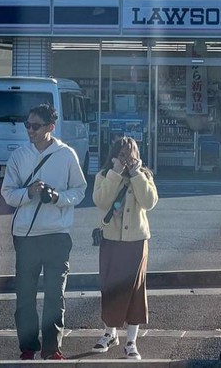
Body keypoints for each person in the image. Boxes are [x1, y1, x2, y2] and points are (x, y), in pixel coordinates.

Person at [1, 104, 87, 361]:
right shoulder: (18, 156)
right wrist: (29, 192)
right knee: (25, 295)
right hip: (25, 235)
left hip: (57, 234)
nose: (30, 130)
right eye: (27, 125)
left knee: (54, 295)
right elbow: (7, 193)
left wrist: (58, 197)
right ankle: (27, 347)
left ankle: (52, 349)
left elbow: (80, 190)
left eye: (36, 126)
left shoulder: (66, 154)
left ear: (50, 127)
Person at [91, 136, 158, 359]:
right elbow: (100, 200)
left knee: (135, 291)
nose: (126, 160)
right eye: (122, 155)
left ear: (137, 156)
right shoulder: (104, 175)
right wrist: (115, 173)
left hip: (136, 242)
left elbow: (149, 202)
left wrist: (137, 174)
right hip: (110, 240)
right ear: (113, 155)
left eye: (130, 155)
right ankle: (109, 333)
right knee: (110, 288)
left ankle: (131, 341)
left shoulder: (144, 175)